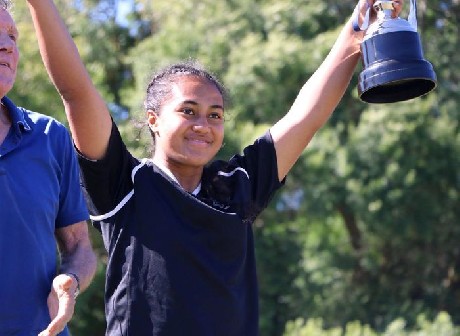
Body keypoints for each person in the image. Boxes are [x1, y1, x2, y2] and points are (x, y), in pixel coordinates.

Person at [29, 0, 403, 335]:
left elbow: (305, 116)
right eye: (188, 111)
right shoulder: (126, 185)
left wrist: (357, 32)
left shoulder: (237, 186)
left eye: (215, 115)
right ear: (153, 119)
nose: (203, 126)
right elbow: (76, 91)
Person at [0, 1, 97, 335]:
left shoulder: (49, 136)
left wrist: (71, 279)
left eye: (13, 35)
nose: (7, 45)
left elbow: (79, 247)